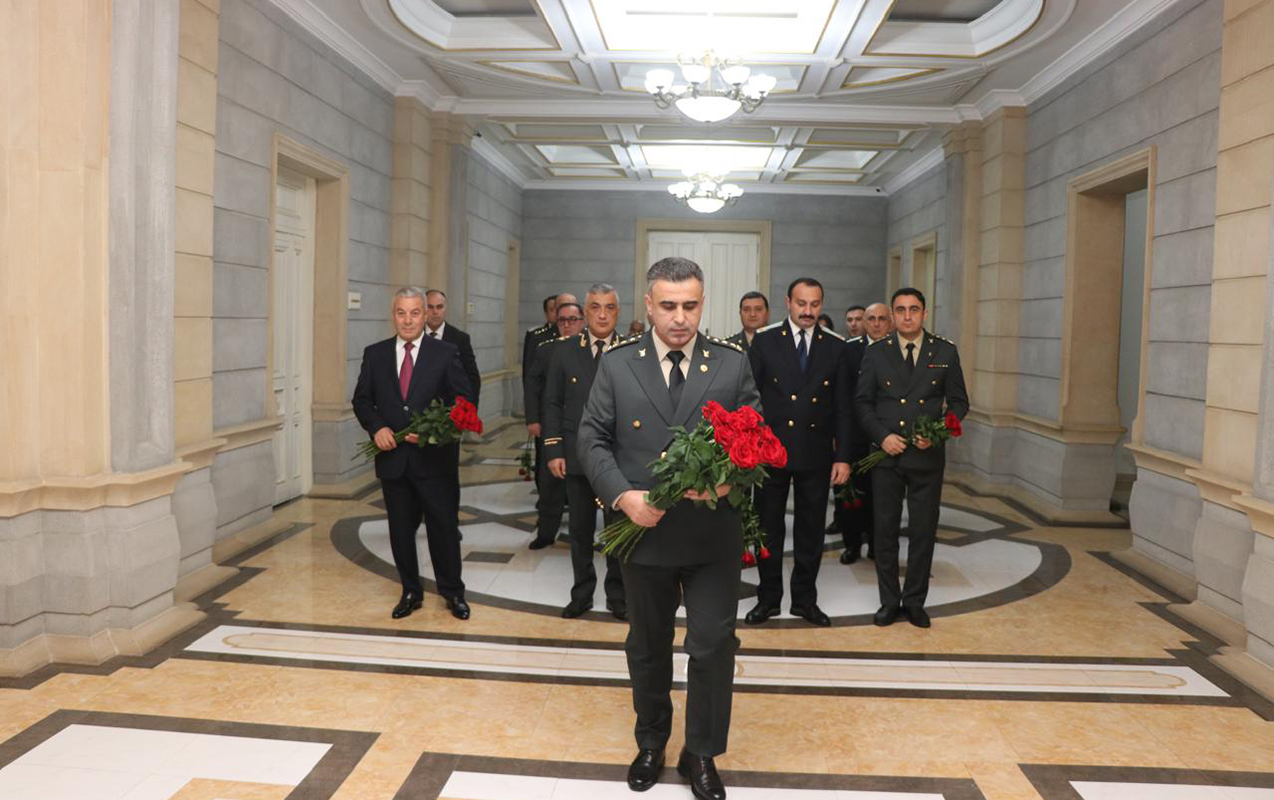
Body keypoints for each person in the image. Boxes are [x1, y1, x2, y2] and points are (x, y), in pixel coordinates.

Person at [579, 257, 759, 800]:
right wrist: (622, 495)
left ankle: (700, 752)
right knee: (648, 644)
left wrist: (727, 481)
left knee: (713, 645)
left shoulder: (731, 364)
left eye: (690, 305)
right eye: (668, 305)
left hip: (711, 536)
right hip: (644, 532)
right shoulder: (618, 364)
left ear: (703, 304)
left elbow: (756, 438)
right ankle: (652, 741)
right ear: (649, 305)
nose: (680, 317)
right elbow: (591, 438)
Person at [352, 287, 473, 621]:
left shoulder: (445, 353)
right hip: (394, 460)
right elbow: (362, 399)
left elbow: (463, 401)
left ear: (425, 314)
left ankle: (453, 592)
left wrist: (436, 433)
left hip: (434, 461)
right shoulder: (375, 354)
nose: (408, 320)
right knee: (401, 530)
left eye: (415, 313)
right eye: (401, 313)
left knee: (443, 529)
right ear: (393, 315)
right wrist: (376, 427)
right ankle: (410, 591)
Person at [855, 287, 968, 629]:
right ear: (893, 315)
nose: (907, 316)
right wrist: (882, 436)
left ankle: (915, 601)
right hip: (887, 456)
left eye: (914, 309)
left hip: (926, 458)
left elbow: (959, 403)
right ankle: (889, 601)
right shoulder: (877, 352)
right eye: (901, 310)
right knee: (885, 532)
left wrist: (938, 431)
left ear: (924, 314)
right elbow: (863, 403)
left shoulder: (944, 351)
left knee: (923, 531)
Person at [744, 278, 852, 628]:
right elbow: (751, 398)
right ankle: (768, 598)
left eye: (815, 304)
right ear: (788, 302)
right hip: (770, 452)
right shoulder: (765, 341)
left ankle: (805, 600)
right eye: (801, 303)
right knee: (768, 528)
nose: (808, 311)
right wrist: (750, 446)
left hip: (815, 452)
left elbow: (843, 407)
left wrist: (843, 456)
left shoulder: (835, 346)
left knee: (811, 530)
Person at [543, 284, 626, 620]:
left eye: (609, 307)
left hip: (618, 459)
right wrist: (554, 449)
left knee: (618, 531)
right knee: (579, 530)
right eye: (595, 307)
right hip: (577, 456)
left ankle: (618, 596)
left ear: (618, 312)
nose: (602, 315)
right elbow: (552, 401)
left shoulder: (631, 350)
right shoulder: (565, 350)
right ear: (585, 312)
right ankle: (582, 594)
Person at [523, 299, 584, 549]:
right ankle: (546, 532)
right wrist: (533, 418)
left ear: (582, 322)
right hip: (554, 425)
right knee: (550, 483)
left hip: (584, 426)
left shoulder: (592, 349)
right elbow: (532, 385)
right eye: (562, 320)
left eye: (573, 320)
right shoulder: (546, 349)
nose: (567, 325)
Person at [424, 290, 481, 409]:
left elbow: (472, 378)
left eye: (439, 307)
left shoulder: (460, 339)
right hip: (419, 411)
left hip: (450, 410)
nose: (435, 312)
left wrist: (469, 411)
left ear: (445, 309)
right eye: (430, 307)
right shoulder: (413, 336)